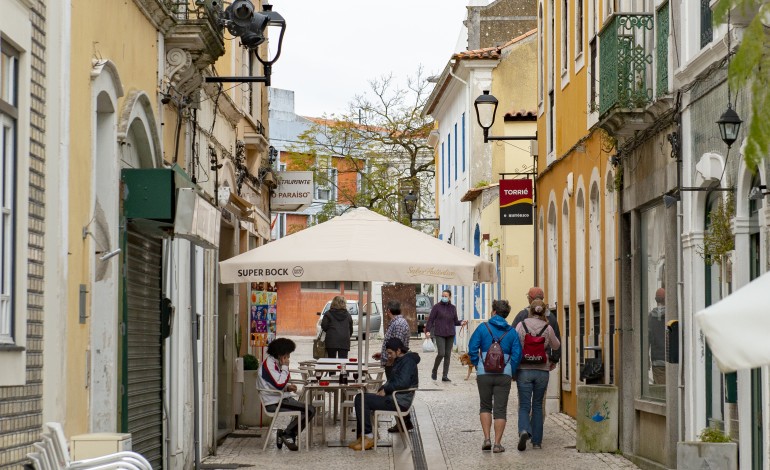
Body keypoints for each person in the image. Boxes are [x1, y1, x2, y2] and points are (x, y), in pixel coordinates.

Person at [467, 300, 523, 453]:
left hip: (484, 374)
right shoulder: (512, 332)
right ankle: (498, 444)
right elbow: (517, 354)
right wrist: (510, 369)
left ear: (493, 312)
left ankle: (487, 439)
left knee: (485, 406)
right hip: (504, 374)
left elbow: (472, 349)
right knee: (500, 409)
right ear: (506, 314)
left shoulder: (482, 328)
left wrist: (478, 364)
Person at [349, 337, 420, 451]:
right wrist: (382, 387)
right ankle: (362, 436)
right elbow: (391, 380)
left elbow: (402, 382)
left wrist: (386, 390)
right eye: (388, 353)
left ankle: (368, 436)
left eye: (390, 353)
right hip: (394, 398)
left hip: (398, 401)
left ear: (398, 351)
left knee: (361, 399)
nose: (389, 356)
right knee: (361, 397)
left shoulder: (408, 361)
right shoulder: (400, 360)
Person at [515, 299, 560, 451]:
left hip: (524, 369)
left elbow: (515, 343)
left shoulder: (521, 325)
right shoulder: (548, 327)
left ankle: (523, 430)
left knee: (524, 405)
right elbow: (556, 345)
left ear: (530, 310)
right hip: (542, 369)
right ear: (544, 311)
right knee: (538, 405)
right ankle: (537, 442)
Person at [257, 337, 313, 451]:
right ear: (280, 354)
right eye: (287, 354)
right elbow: (279, 384)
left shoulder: (274, 363)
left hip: (280, 398)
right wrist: (286, 367)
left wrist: (288, 388)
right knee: (309, 410)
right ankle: (288, 434)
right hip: (275, 403)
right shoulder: (269, 365)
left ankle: (285, 434)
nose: (288, 357)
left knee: (307, 409)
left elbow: (276, 383)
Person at [372, 300, 413, 432]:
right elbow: (392, 346)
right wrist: (383, 354)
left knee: (395, 393)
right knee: (394, 392)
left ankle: (404, 423)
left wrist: (390, 359)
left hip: (394, 363)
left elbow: (397, 346)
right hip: (391, 361)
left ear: (388, 311)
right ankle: (403, 423)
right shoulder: (398, 323)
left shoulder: (399, 324)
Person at [425, 289, 467, 381]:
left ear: (450, 297)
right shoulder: (436, 307)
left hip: (450, 334)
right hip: (439, 333)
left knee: (447, 355)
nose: (444, 297)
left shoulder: (453, 308)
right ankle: (434, 370)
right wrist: (427, 330)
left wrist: (461, 322)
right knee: (441, 353)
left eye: (446, 296)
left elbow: (455, 321)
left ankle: (445, 375)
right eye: (443, 296)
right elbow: (431, 320)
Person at [511, 286, 561, 363]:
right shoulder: (551, 316)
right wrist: (554, 359)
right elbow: (556, 340)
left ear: (530, 299)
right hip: (543, 360)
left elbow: (513, 338)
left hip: (524, 361)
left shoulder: (522, 315)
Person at [321, 295, 354, 359]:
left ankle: (332, 368)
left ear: (333, 303)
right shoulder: (348, 315)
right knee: (343, 362)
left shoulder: (328, 314)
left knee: (331, 361)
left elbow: (324, 326)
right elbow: (350, 330)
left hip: (331, 341)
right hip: (344, 341)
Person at [648, 287, 666, 385]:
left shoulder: (650, 317)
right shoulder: (672, 315)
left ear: (655, 300)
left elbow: (646, 339)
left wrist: (646, 357)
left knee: (660, 390)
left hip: (656, 361)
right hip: (672, 360)